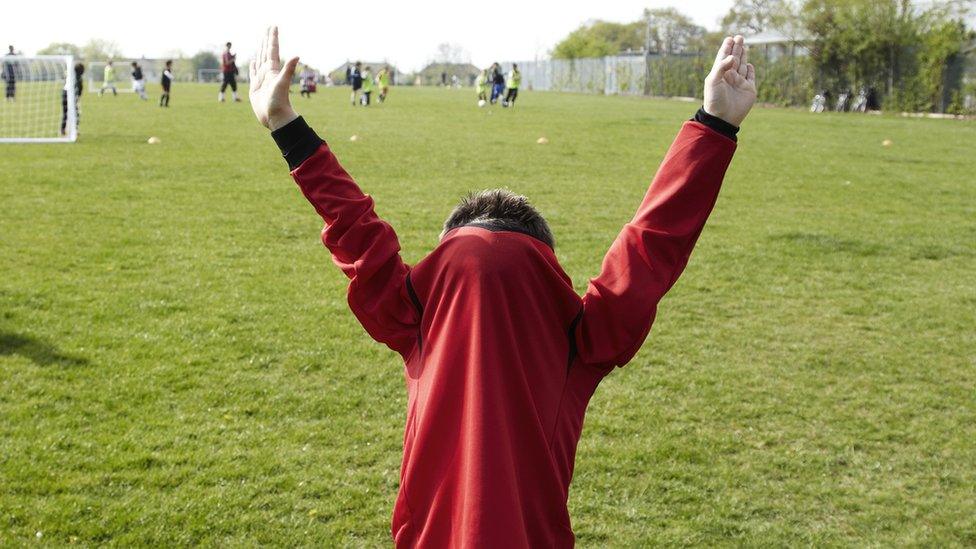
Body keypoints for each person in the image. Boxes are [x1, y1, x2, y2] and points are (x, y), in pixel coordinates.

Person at [248, 27, 756, 547]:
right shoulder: (582, 340)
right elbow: (651, 246)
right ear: (546, 266)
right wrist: (713, 125)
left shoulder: (416, 318)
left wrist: (287, 126)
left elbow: (357, 229)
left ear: (443, 265)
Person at [61, 62, 84, 136]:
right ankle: (75, 130)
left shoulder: (69, 74)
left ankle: (63, 130)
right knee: (76, 113)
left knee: (65, 113)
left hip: (64, 93)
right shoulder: (78, 77)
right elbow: (80, 88)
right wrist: (79, 96)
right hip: (71, 95)